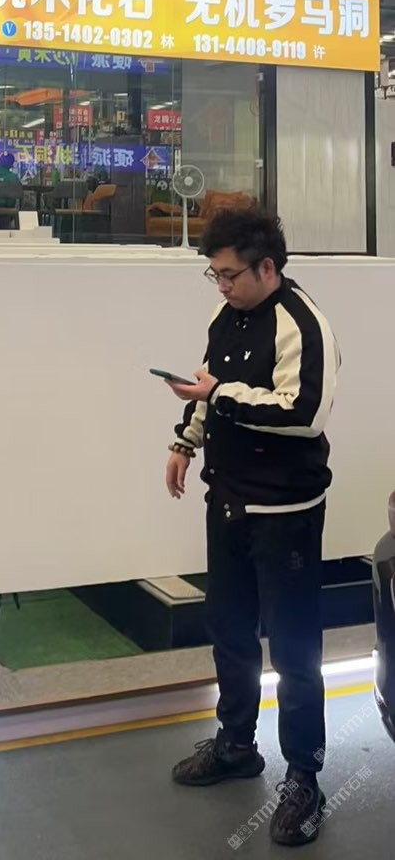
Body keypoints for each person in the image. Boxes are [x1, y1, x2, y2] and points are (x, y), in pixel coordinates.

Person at [163, 207, 339, 848]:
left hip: (285, 514)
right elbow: (209, 389)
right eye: (214, 275)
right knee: (230, 631)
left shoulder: (303, 323)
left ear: (267, 267)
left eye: (230, 274)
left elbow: (304, 411)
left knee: (294, 651)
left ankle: (305, 779)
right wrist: (185, 441)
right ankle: (237, 743)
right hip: (229, 502)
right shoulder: (226, 318)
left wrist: (218, 393)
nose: (222, 285)